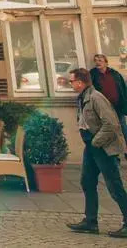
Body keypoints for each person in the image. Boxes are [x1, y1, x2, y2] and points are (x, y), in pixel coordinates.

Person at [67, 68, 127, 238]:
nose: (70, 84)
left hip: (103, 147)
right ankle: (90, 221)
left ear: (80, 82)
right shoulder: (83, 98)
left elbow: (112, 124)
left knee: (114, 186)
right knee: (87, 181)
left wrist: (96, 141)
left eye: (72, 81)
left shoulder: (96, 97)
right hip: (91, 147)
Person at [91, 54, 127, 142]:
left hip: (118, 106)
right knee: (107, 131)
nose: (97, 62)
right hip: (103, 108)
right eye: (95, 60)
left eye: (100, 60)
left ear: (106, 63)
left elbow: (123, 89)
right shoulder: (92, 75)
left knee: (123, 128)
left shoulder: (115, 74)